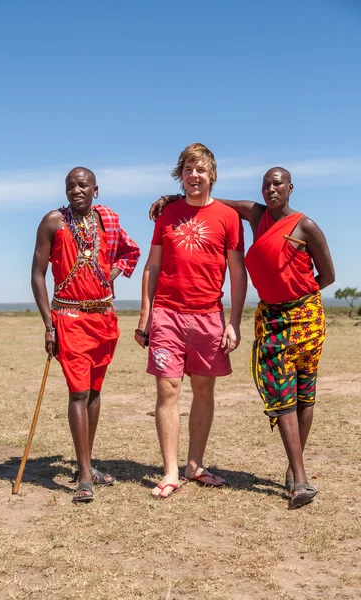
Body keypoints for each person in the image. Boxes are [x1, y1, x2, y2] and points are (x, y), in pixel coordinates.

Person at [150, 166, 335, 508]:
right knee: (281, 394)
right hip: (271, 320)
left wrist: (295, 296)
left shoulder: (305, 225)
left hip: (305, 317)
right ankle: (301, 479)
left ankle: (295, 472)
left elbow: (328, 274)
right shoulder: (256, 214)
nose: (271, 189)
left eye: (277, 183)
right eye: (266, 184)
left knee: (304, 393)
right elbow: (213, 202)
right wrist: (175, 198)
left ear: (291, 187)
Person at [135, 143, 247, 498]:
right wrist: (145, 317)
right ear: (180, 176)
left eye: (200, 170)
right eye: (187, 170)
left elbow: (237, 272)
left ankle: (194, 465)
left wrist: (234, 321)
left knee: (203, 391)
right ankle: (169, 472)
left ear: (211, 175)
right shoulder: (166, 214)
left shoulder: (228, 217)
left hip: (209, 316)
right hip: (167, 314)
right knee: (167, 390)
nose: (193, 175)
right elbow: (152, 265)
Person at [32, 167, 140, 503]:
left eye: (82, 185)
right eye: (70, 186)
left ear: (96, 189)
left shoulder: (106, 220)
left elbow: (130, 252)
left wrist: (114, 272)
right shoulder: (53, 221)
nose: (76, 190)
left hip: (104, 318)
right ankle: (83, 475)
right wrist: (49, 325)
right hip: (68, 317)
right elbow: (37, 275)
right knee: (78, 393)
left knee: (94, 393)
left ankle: (87, 465)